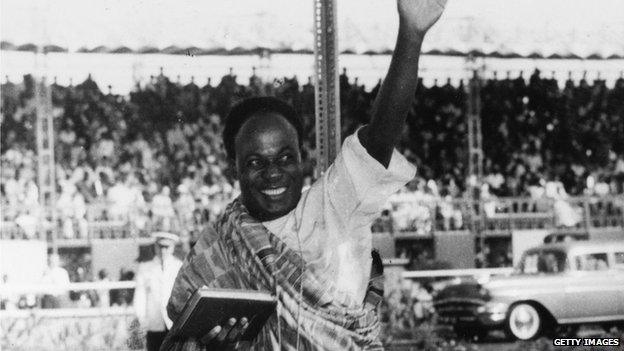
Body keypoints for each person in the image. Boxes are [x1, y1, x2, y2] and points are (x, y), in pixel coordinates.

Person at [162, 1, 447, 350]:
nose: (272, 173)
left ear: (303, 159)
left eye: (285, 158)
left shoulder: (336, 203)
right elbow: (180, 335)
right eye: (255, 162)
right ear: (231, 167)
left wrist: (411, 34)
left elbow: (380, 136)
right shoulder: (221, 244)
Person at [133, 232, 183, 351]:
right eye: (160, 246)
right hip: (154, 322)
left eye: (167, 247)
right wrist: (141, 318)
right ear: (155, 247)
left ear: (173, 247)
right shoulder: (145, 268)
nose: (163, 250)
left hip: (173, 322)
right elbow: (140, 295)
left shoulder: (178, 266)